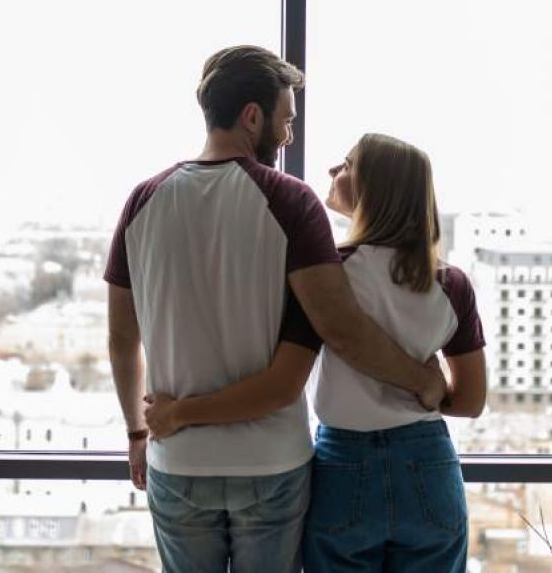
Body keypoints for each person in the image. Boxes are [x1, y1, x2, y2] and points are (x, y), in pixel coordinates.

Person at [105, 47, 447, 573]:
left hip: (178, 459)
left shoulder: (143, 199)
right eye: (285, 120)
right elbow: (340, 328)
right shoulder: (291, 201)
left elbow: (122, 338)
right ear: (252, 116)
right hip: (270, 464)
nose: (288, 135)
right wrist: (423, 380)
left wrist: (137, 432)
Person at [144, 132, 488, 572]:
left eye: (347, 164)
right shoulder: (451, 284)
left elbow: (288, 374)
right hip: (429, 463)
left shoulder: (328, 274)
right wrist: (430, 387)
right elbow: (470, 401)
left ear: (374, 189)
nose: (332, 170)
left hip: (345, 464)